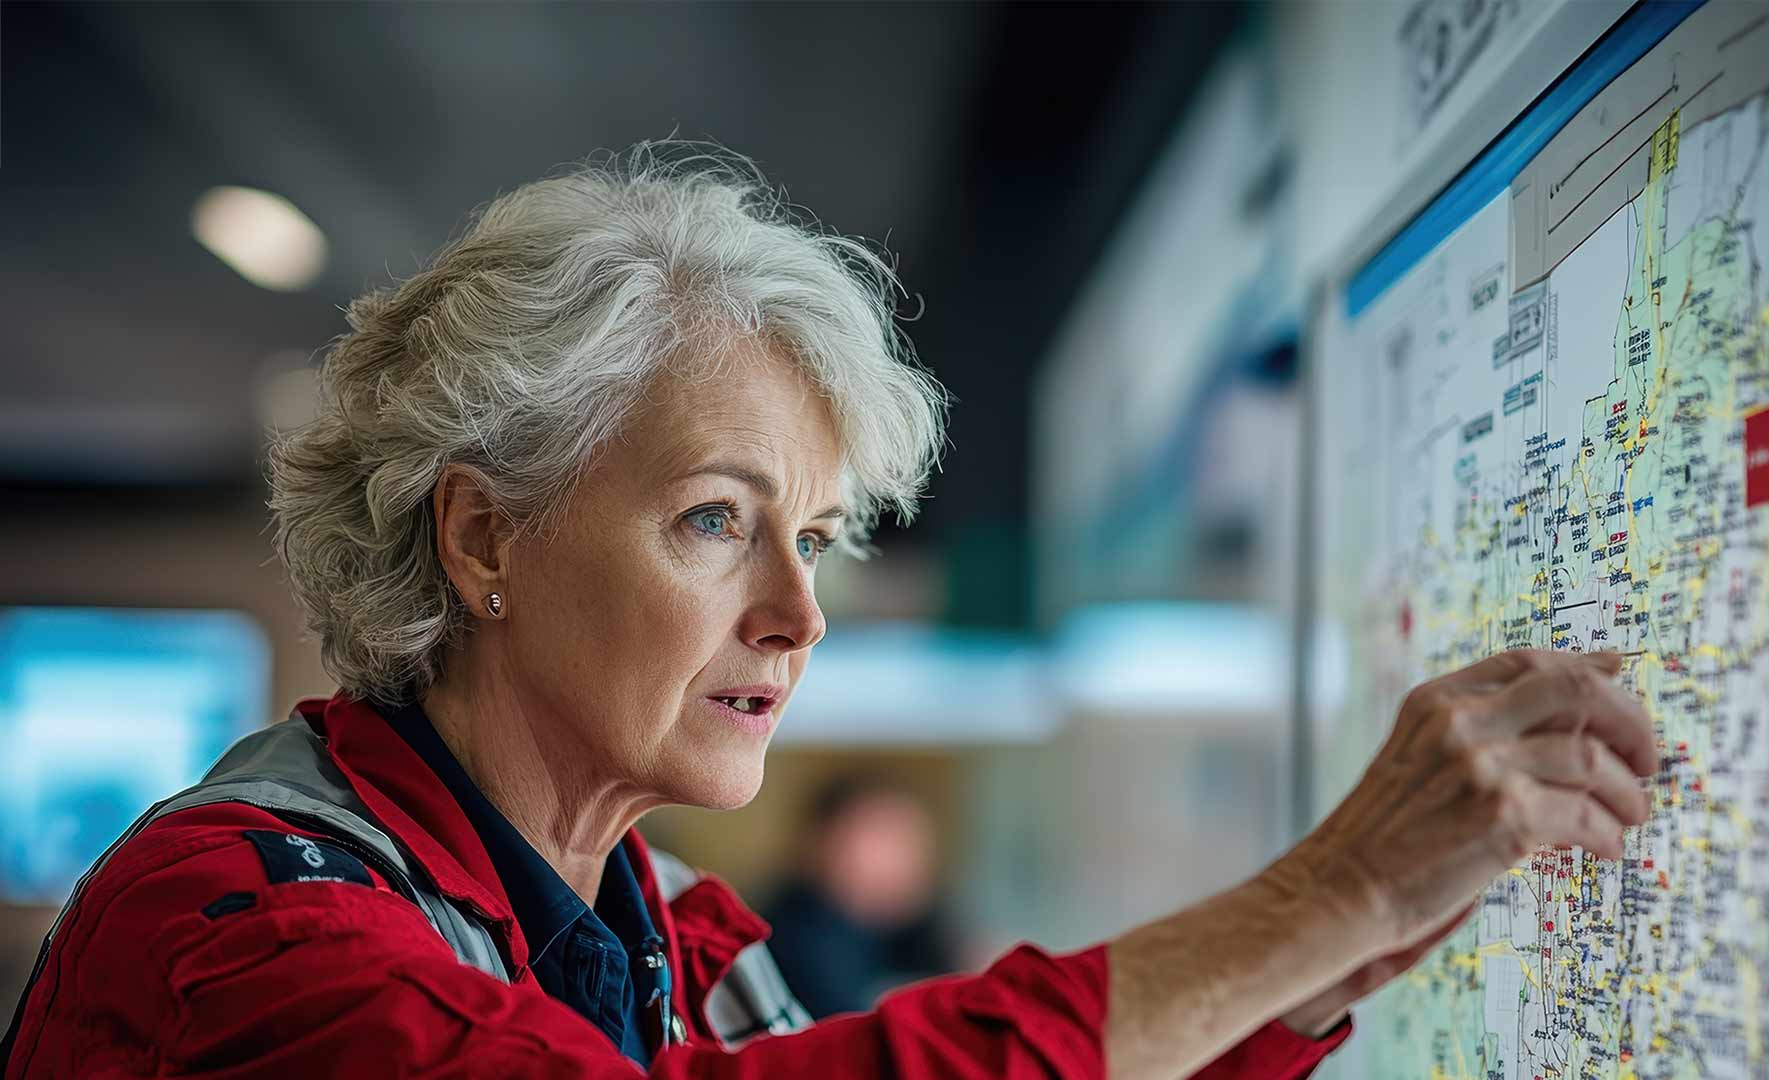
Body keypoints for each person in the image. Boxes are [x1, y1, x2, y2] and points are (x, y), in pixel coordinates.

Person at [1, 143, 1656, 1080]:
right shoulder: (233, 920)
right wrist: (1330, 886)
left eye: (814, 537)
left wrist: (1339, 944)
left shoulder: (674, 936)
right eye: (717, 522)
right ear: (484, 538)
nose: (799, 613)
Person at [761, 777, 956, 1019]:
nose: (901, 857)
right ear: (824, 841)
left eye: (910, 841)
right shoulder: (791, 933)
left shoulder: (916, 929)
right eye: (883, 836)